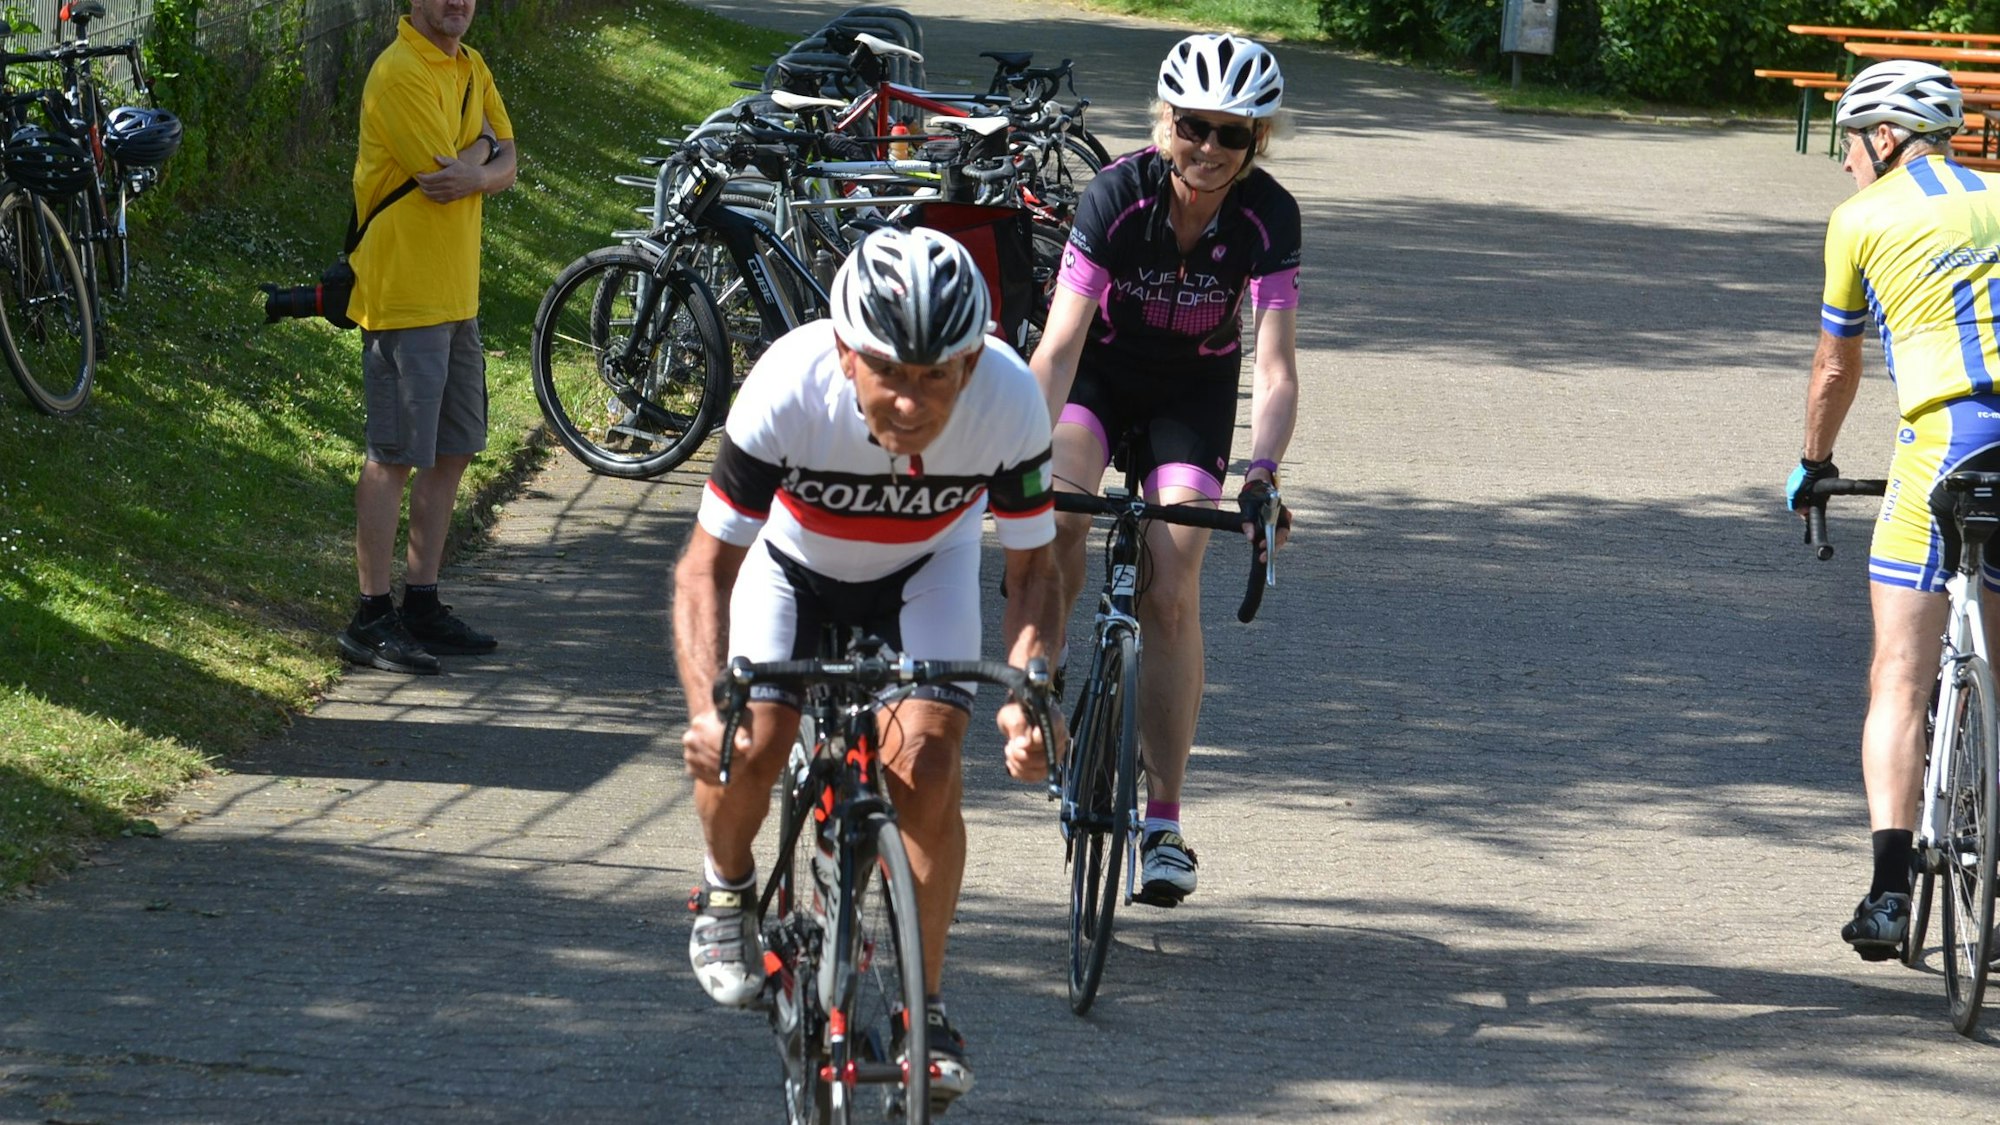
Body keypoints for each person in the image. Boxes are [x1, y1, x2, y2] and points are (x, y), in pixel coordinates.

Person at [674, 227, 1064, 1109]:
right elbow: (706, 566)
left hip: (925, 571)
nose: (911, 400)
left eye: (937, 376)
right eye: (888, 369)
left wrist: (1031, 687)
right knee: (754, 737)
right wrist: (709, 706)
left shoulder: (1008, 399)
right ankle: (728, 889)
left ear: (971, 361)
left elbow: (1036, 571)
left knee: (926, 767)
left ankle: (921, 1010)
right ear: (846, 353)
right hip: (793, 570)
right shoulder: (786, 382)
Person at [1030, 32, 1299, 907]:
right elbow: (1061, 344)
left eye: (1233, 133)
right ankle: (1053, 669)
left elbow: (1277, 364)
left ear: (1258, 139)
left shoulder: (1269, 216)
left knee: (1174, 586)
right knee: (1062, 510)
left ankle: (1165, 822)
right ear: (1166, 122)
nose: (1210, 149)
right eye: (1194, 127)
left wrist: (1262, 473)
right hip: (1099, 383)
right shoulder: (1113, 196)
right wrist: (1017, 457)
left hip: (1192, 394)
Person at [1787, 60, 2000, 960]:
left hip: (1946, 446)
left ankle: (1886, 890)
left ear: (1883, 138)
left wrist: (1815, 464)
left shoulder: (1861, 218)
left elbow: (1837, 367)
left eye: (1848, 143)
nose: (1845, 164)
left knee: (1901, 674)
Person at [336, 0, 517, 676]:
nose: (457, 4)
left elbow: (510, 157)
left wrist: (484, 165)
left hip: (456, 293)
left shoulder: (472, 66)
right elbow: (443, 176)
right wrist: (481, 160)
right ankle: (369, 615)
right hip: (404, 294)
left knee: (453, 449)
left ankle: (422, 601)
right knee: (394, 454)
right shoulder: (398, 71)